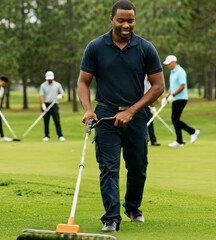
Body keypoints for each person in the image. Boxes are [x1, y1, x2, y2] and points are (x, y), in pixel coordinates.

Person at [77, 0, 165, 232]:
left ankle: (132, 207)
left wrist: (131, 111)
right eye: (121, 20)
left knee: (138, 166)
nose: (126, 25)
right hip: (105, 114)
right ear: (112, 20)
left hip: (135, 115)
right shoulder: (95, 47)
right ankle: (111, 218)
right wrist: (88, 109)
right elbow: (83, 82)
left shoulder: (146, 48)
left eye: (130, 20)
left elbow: (158, 87)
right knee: (108, 167)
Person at [163, 55, 200, 147]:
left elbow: (182, 86)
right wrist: (166, 97)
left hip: (182, 98)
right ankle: (180, 140)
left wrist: (173, 95)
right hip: (175, 98)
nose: (168, 65)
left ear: (174, 62)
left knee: (175, 119)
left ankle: (192, 132)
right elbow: (172, 87)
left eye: (169, 63)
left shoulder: (180, 71)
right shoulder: (172, 72)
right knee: (175, 119)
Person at [39, 70, 66, 142]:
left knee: (57, 120)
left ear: (53, 78)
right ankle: (46, 136)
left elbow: (63, 94)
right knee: (46, 121)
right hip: (46, 104)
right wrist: (43, 105)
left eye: (50, 79)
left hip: (54, 104)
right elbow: (42, 96)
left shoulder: (57, 85)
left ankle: (60, 135)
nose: (49, 80)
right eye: (48, 79)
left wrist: (60, 95)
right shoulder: (43, 85)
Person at [144, 79, 161, 146]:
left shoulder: (150, 82)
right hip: (138, 103)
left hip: (147, 104)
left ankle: (153, 140)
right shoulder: (142, 78)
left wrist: (152, 104)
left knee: (150, 122)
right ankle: (145, 138)